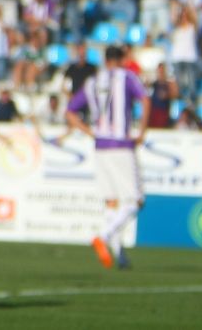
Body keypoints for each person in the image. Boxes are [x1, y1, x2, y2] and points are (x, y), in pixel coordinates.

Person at [65, 46, 150, 270]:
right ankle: (103, 236)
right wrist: (141, 132)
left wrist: (90, 131)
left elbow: (70, 111)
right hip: (121, 145)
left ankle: (119, 256)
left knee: (112, 201)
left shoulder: (93, 81)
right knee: (135, 201)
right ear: (121, 59)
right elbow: (145, 99)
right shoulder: (127, 77)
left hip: (100, 146)